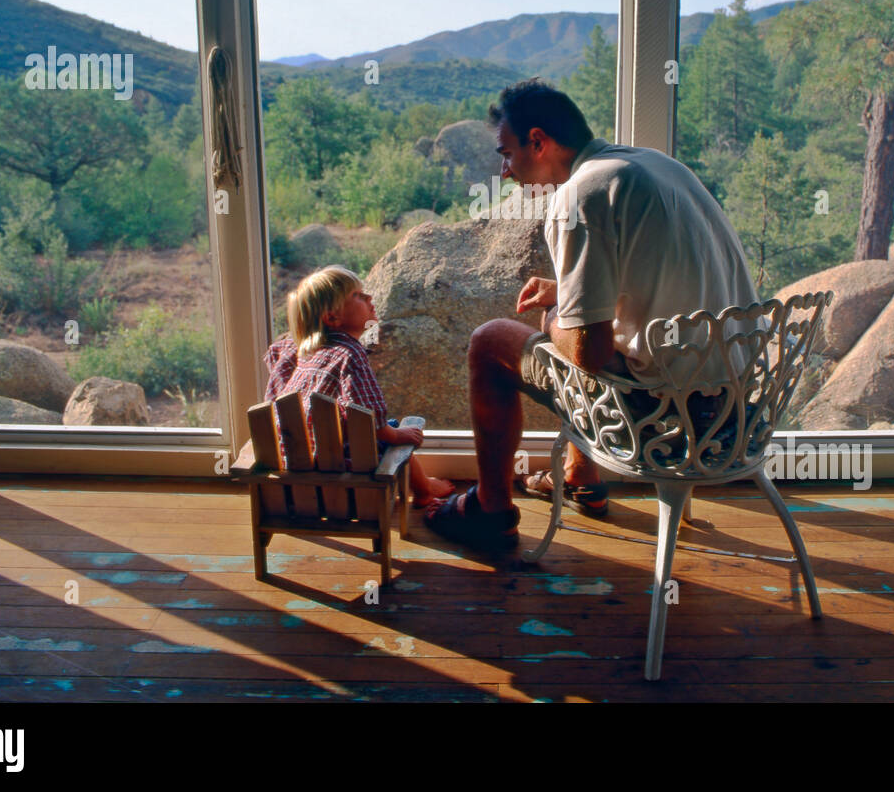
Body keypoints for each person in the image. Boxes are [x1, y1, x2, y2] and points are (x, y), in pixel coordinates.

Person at [424, 79, 760, 551]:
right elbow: (657, 280)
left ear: (538, 141)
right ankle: (581, 476)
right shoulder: (655, 166)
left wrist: (557, 314)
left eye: (506, 153)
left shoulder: (579, 198)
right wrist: (568, 292)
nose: (504, 171)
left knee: (491, 342)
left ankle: (491, 510)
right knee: (593, 325)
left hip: (666, 423)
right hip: (736, 413)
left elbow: (588, 353)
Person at [263, 266, 454, 508]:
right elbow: (367, 416)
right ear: (332, 318)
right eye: (358, 296)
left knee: (370, 432)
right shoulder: (348, 355)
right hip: (347, 482)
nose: (370, 298)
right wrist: (394, 434)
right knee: (393, 430)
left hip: (297, 485)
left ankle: (424, 482)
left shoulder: (296, 352)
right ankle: (424, 490)